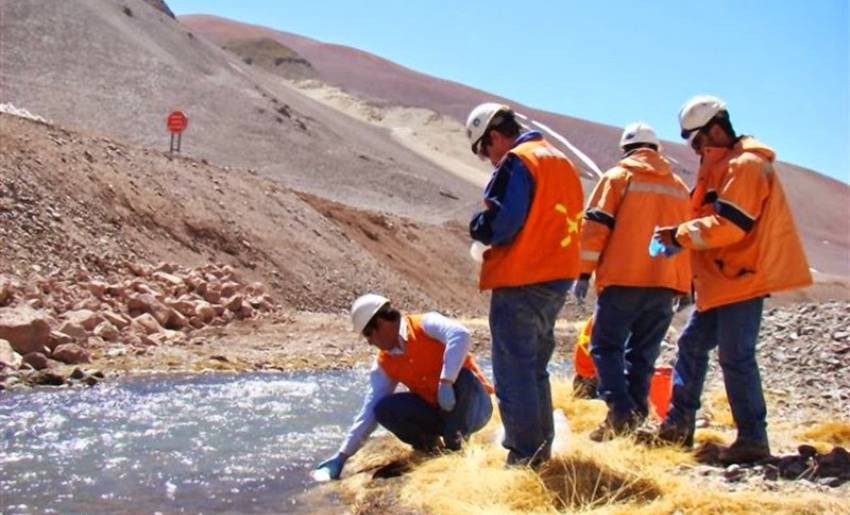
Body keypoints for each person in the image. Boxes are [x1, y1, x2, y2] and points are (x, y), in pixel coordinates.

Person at [652, 95, 812, 464]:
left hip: (741, 279)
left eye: (696, 140)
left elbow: (732, 226)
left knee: (736, 357)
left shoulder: (746, 166)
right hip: (721, 282)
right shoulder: (723, 166)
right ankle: (678, 426)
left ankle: (753, 439)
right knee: (691, 346)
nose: (695, 149)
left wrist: (680, 235)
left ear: (715, 129)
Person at [466, 102, 584, 467]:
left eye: (484, 148)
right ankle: (540, 448)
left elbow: (504, 222)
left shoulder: (519, 161)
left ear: (495, 136)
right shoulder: (560, 161)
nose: (487, 158)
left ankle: (524, 456)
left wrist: (478, 226)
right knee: (534, 367)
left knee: (513, 369)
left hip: (523, 276)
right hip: (557, 277)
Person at [573, 122, 691, 441]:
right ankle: (635, 416)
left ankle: (620, 412)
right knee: (643, 354)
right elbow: (687, 239)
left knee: (605, 345)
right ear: (656, 150)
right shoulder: (679, 187)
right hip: (665, 284)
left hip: (623, 279)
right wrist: (685, 285)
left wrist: (584, 271)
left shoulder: (618, 178)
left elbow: (595, 227)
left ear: (627, 150)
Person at [314, 294, 494, 479]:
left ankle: (455, 445)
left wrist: (447, 381)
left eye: (368, 334)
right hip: (439, 412)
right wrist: (342, 456)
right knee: (384, 408)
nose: (369, 342)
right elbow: (368, 411)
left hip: (475, 407)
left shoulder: (425, 324)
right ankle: (430, 447)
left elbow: (460, 335)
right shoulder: (385, 362)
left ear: (382, 323)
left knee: (463, 377)